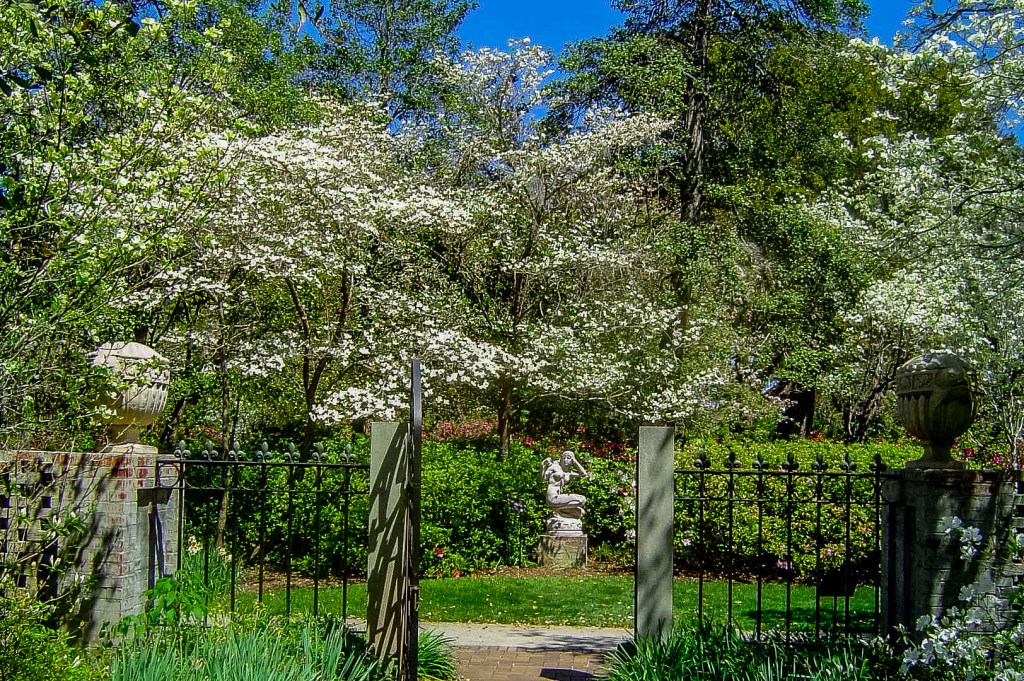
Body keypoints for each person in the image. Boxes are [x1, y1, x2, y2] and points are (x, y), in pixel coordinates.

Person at [541, 451, 587, 518]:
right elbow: (543, 479)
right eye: (564, 457)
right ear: (561, 458)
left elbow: (583, 474)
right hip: (552, 497)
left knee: (581, 512)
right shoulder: (554, 467)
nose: (566, 460)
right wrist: (542, 466)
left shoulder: (568, 473)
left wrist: (575, 461)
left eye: (568, 458)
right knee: (581, 499)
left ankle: (560, 511)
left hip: (559, 496)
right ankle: (559, 510)